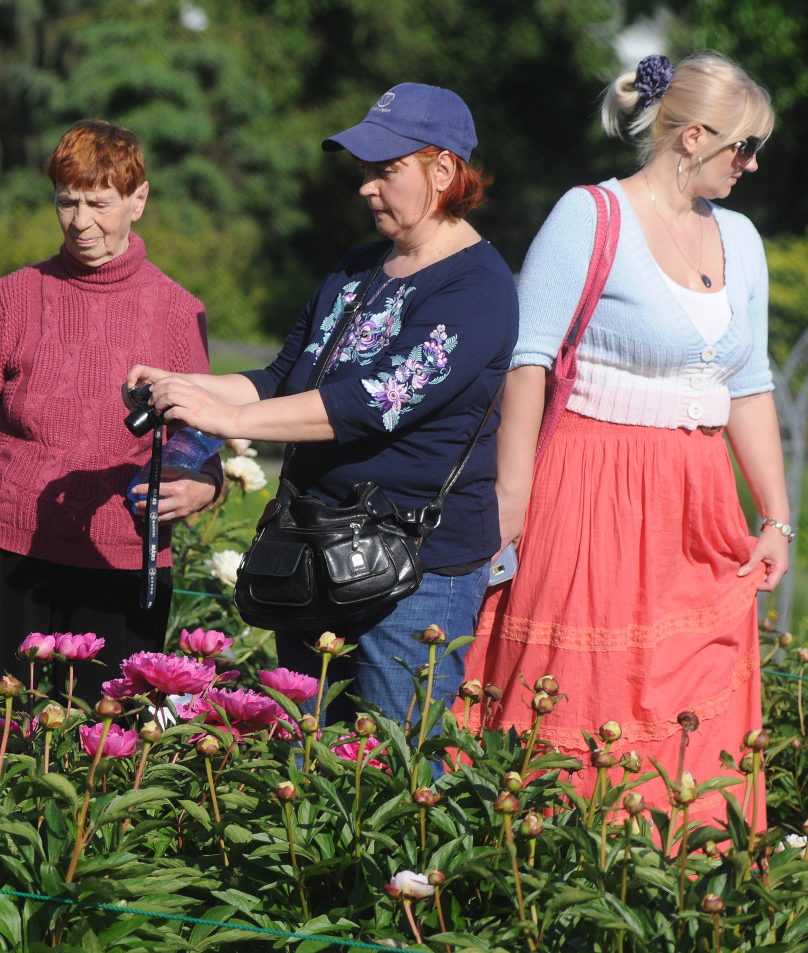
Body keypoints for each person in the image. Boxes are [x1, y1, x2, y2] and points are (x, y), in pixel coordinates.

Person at [128, 83, 518, 728]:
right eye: (365, 170)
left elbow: (377, 400)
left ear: (443, 170)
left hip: (415, 572)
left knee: (396, 772)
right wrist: (187, 387)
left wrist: (230, 420)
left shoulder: (477, 287)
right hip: (312, 553)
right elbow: (285, 377)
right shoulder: (358, 267)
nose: (367, 186)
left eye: (386, 170)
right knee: (305, 758)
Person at [464, 53, 787, 829]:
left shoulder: (741, 238)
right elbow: (527, 359)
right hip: (591, 485)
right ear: (692, 138)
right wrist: (513, 498)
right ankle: (555, 875)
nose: (750, 166)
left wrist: (776, 516)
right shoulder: (591, 215)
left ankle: (684, 887)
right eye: (743, 148)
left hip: (698, 497)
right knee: (582, 686)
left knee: (693, 696)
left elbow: (750, 383)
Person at [0, 119, 220, 713]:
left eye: (100, 203)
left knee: (103, 754)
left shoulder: (178, 312)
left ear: (138, 200)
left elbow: (200, 439)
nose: (81, 221)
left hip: (115, 562)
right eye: (67, 202)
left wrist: (207, 483)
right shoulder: (15, 295)